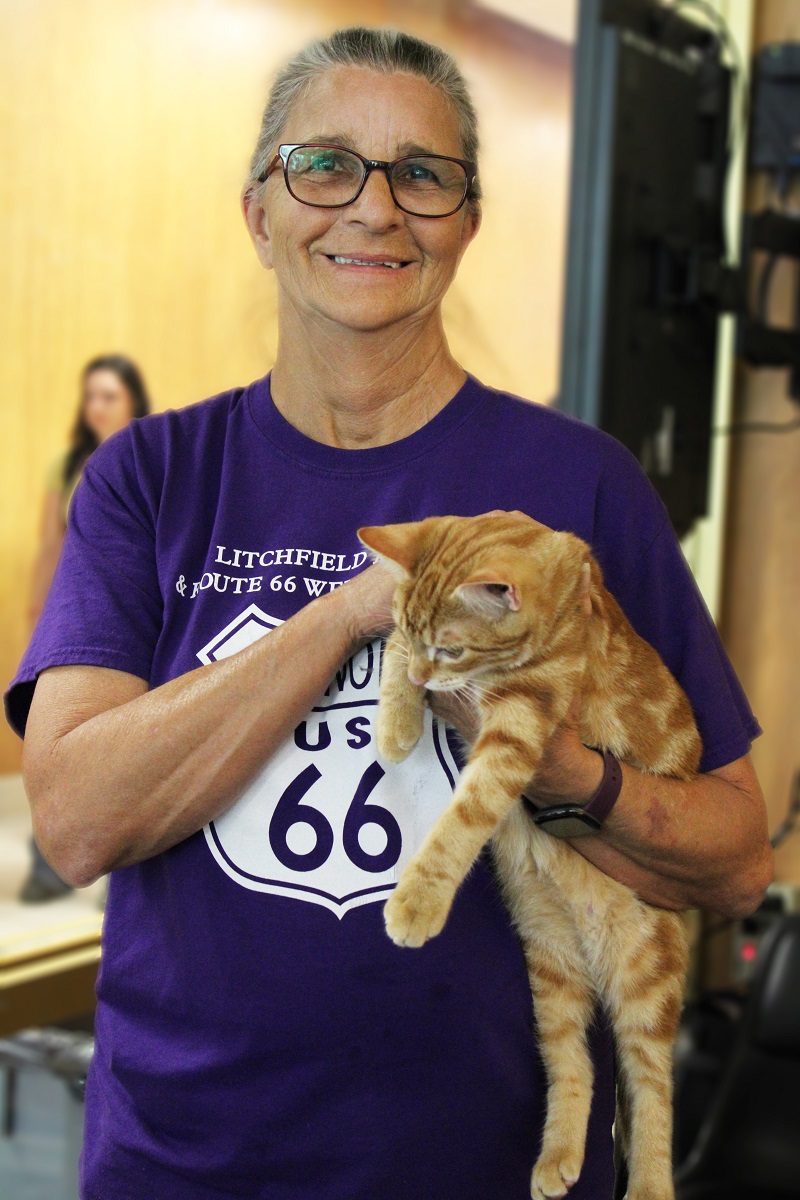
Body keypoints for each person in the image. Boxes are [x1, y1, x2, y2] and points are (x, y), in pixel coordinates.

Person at [4, 26, 771, 1200]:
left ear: (465, 223)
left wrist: (574, 777)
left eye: (423, 174)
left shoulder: (577, 489)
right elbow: (77, 821)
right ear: (259, 213)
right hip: (184, 1167)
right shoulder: (151, 476)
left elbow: (731, 857)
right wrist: (355, 612)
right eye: (323, 166)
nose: (373, 208)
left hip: (488, 1169)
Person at [21, 353, 151, 903]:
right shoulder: (67, 464)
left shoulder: (155, 458)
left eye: (109, 396)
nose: (96, 407)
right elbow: (51, 544)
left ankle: (132, 866)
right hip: (78, 616)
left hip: (139, 625)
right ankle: (49, 866)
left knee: (131, 749)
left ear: (132, 401)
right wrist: (38, 616)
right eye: (90, 396)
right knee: (62, 745)